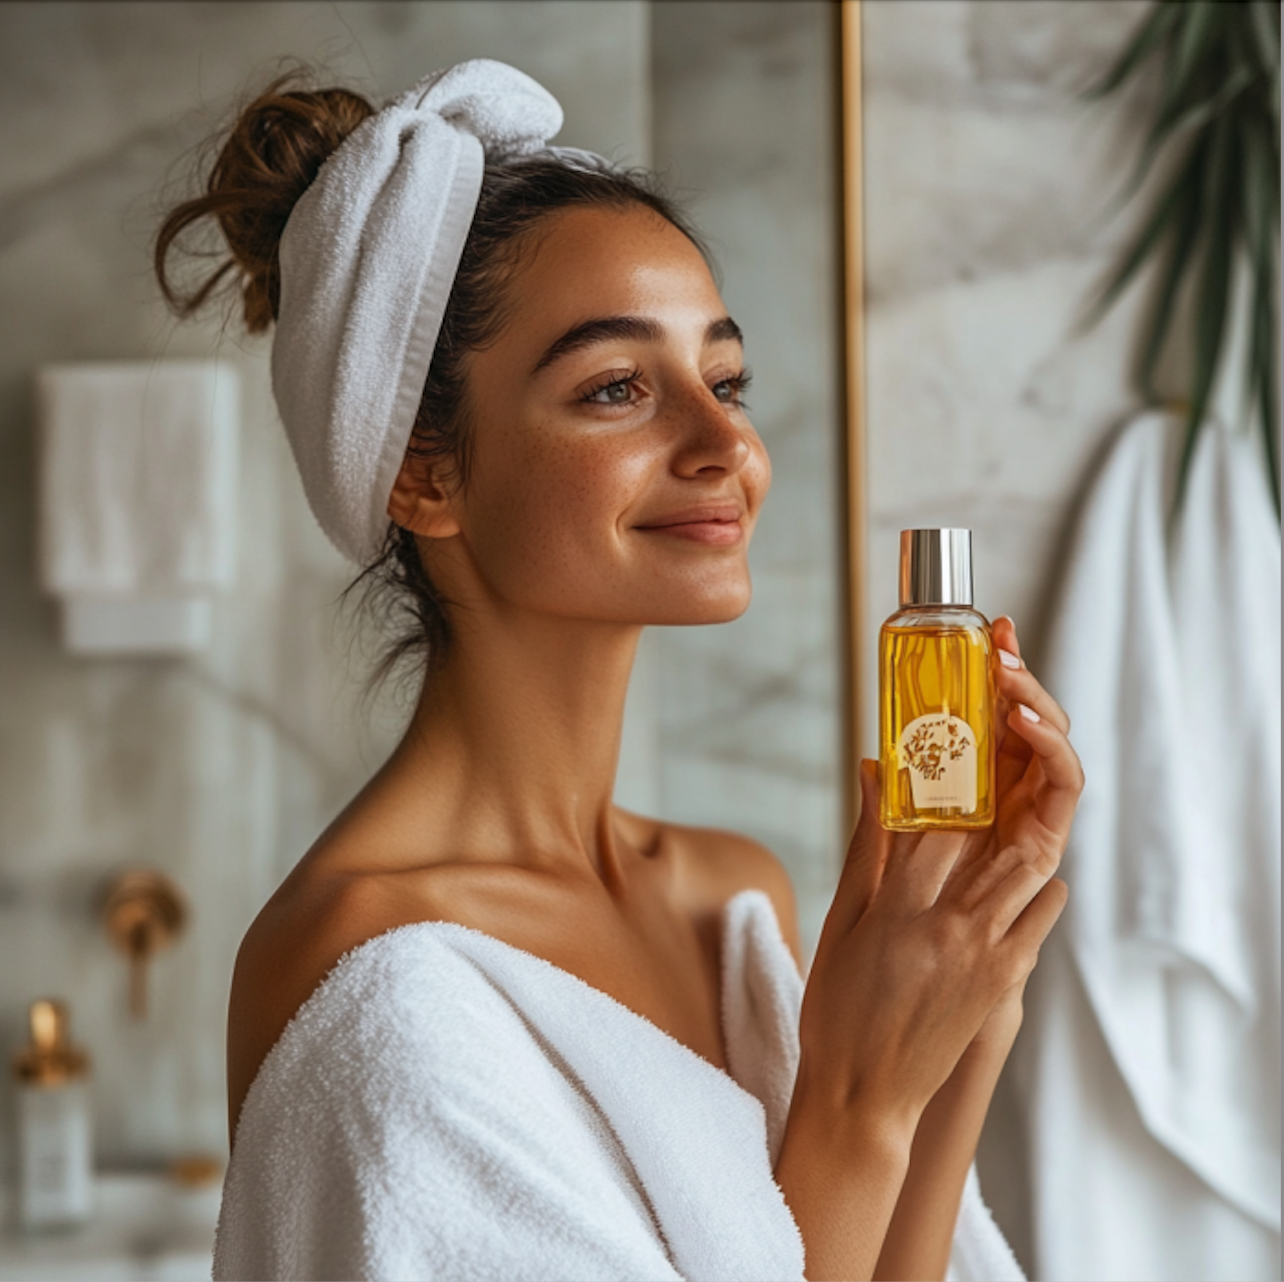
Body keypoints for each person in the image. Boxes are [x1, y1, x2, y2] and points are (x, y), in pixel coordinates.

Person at [156, 60, 1082, 1282]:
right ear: (422, 474)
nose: (728, 443)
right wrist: (857, 1099)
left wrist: (969, 1020)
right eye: (616, 388)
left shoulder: (729, 900)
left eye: (725, 377)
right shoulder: (381, 997)